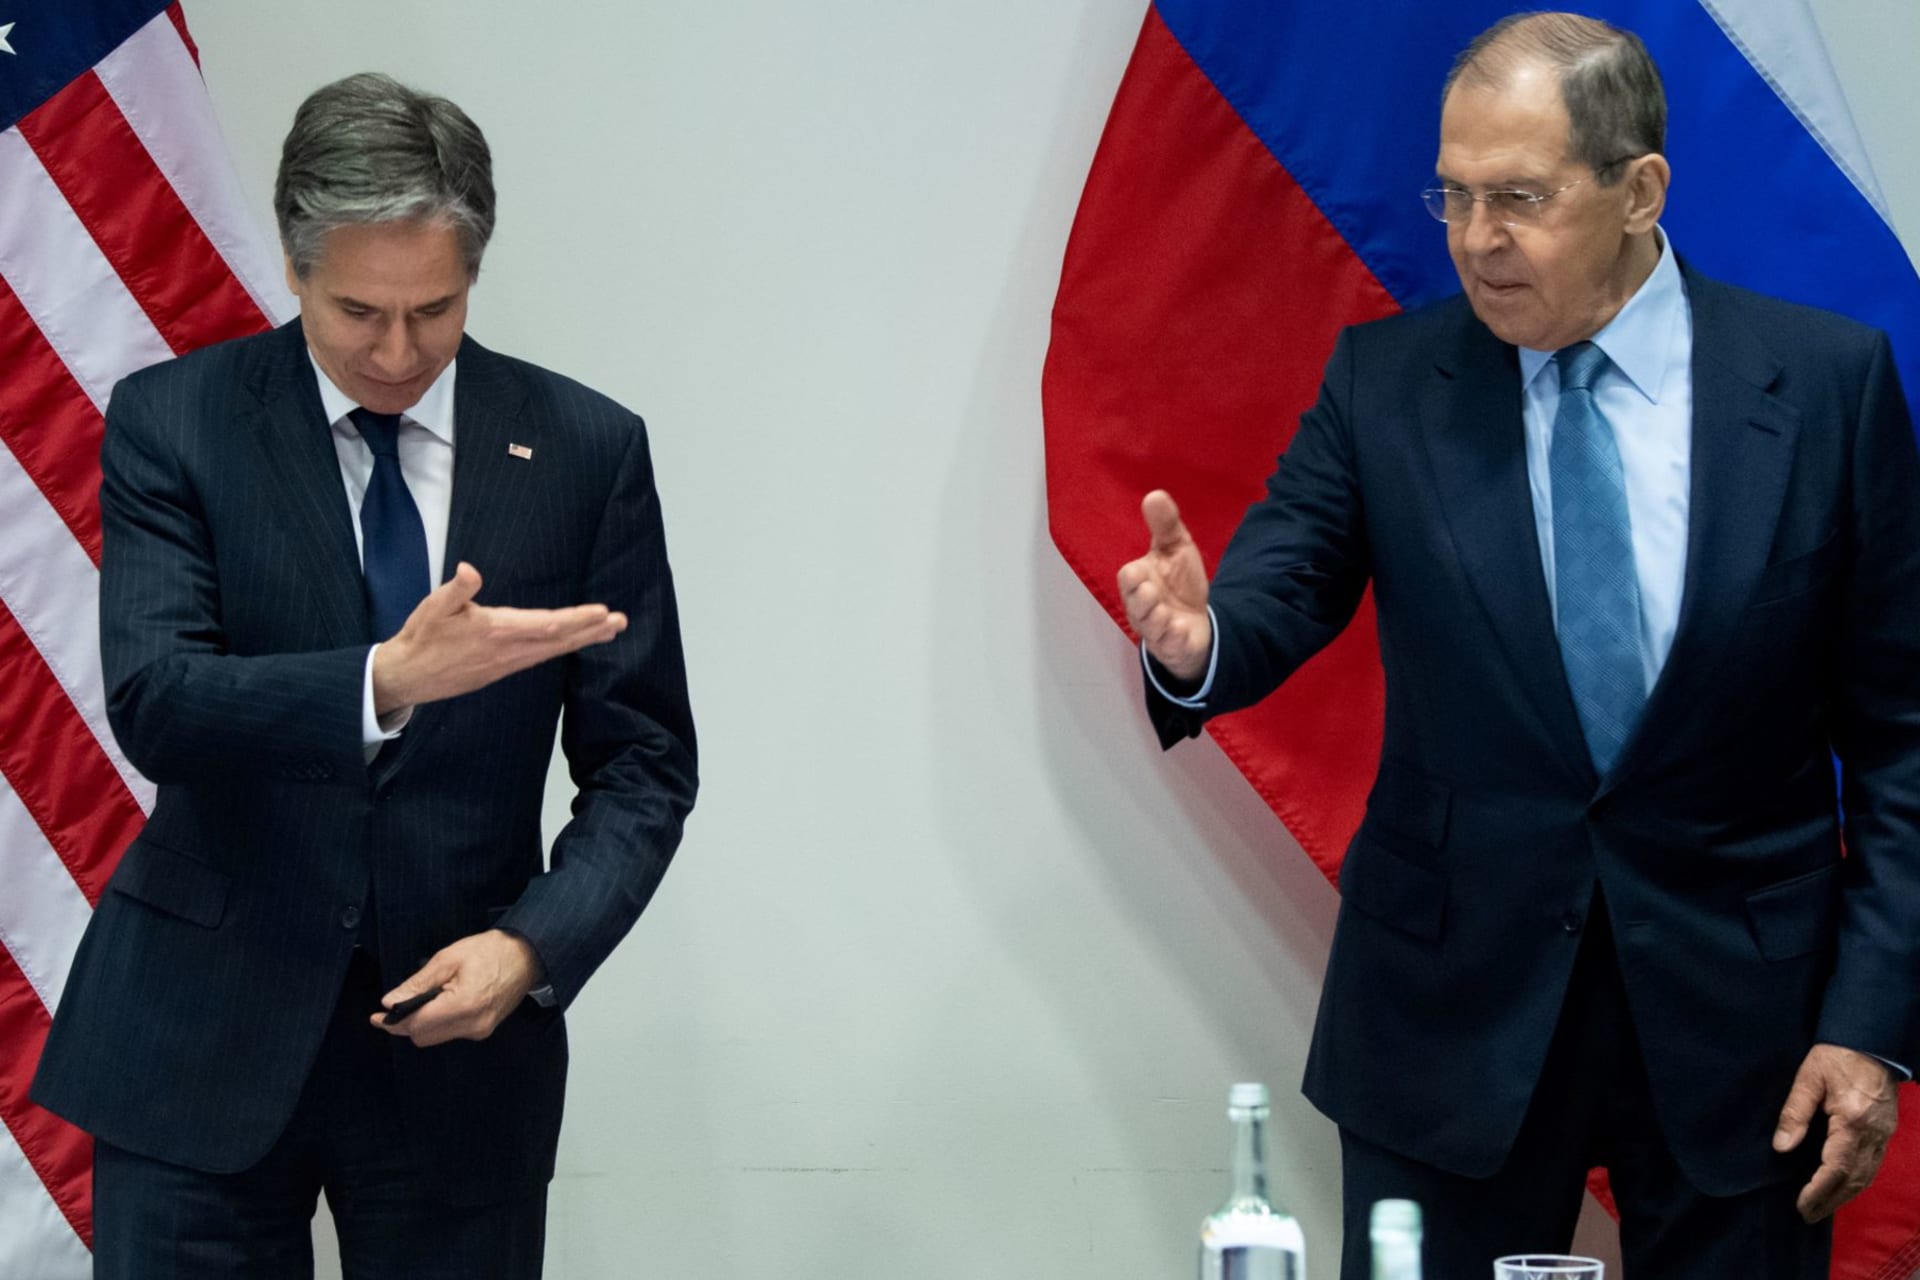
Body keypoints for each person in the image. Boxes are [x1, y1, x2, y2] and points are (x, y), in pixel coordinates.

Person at [1118, 13, 1915, 1278]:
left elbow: (1902, 742)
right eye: (1455, 195)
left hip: (1742, 1038)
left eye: (1521, 198)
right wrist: (1197, 638)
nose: (1477, 239)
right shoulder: (1387, 384)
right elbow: (1282, 589)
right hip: (1449, 1021)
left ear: (1640, 190)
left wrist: (1869, 1026)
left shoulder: (1825, 386)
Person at [32, 72, 697, 1277]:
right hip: (202, 1038)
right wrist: (383, 678)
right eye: (358, 312)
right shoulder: (174, 421)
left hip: (458, 1042)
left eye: (434, 310)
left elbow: (645, 764)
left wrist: (533, 946)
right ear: (294, 268)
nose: (398, 351)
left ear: (474, 274)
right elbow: (158, 700)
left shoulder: (586, 451)